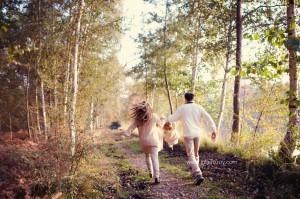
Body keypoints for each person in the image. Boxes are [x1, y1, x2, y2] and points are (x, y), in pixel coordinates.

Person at [165, 92, 217, 185]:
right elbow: (208, 118)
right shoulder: (199, 107)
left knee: (191, 155)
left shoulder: (182, 108)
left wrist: (167, 118)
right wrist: (213, 129)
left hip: (188, 134)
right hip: (197, 133)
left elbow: (173, 118)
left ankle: (198, 173)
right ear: (193, 98)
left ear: (185, 99)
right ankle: (195, 173)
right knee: (196, 154)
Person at [123, 101, 163, 184]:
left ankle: (150, 172)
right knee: (155, 158)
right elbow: (161, 125)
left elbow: (130, 129)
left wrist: (125, 134)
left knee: (147, 156)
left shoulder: (138, 119)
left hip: (144, 142)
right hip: (153, 141)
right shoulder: (154, 116)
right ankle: (157, 177)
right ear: (149, 108)